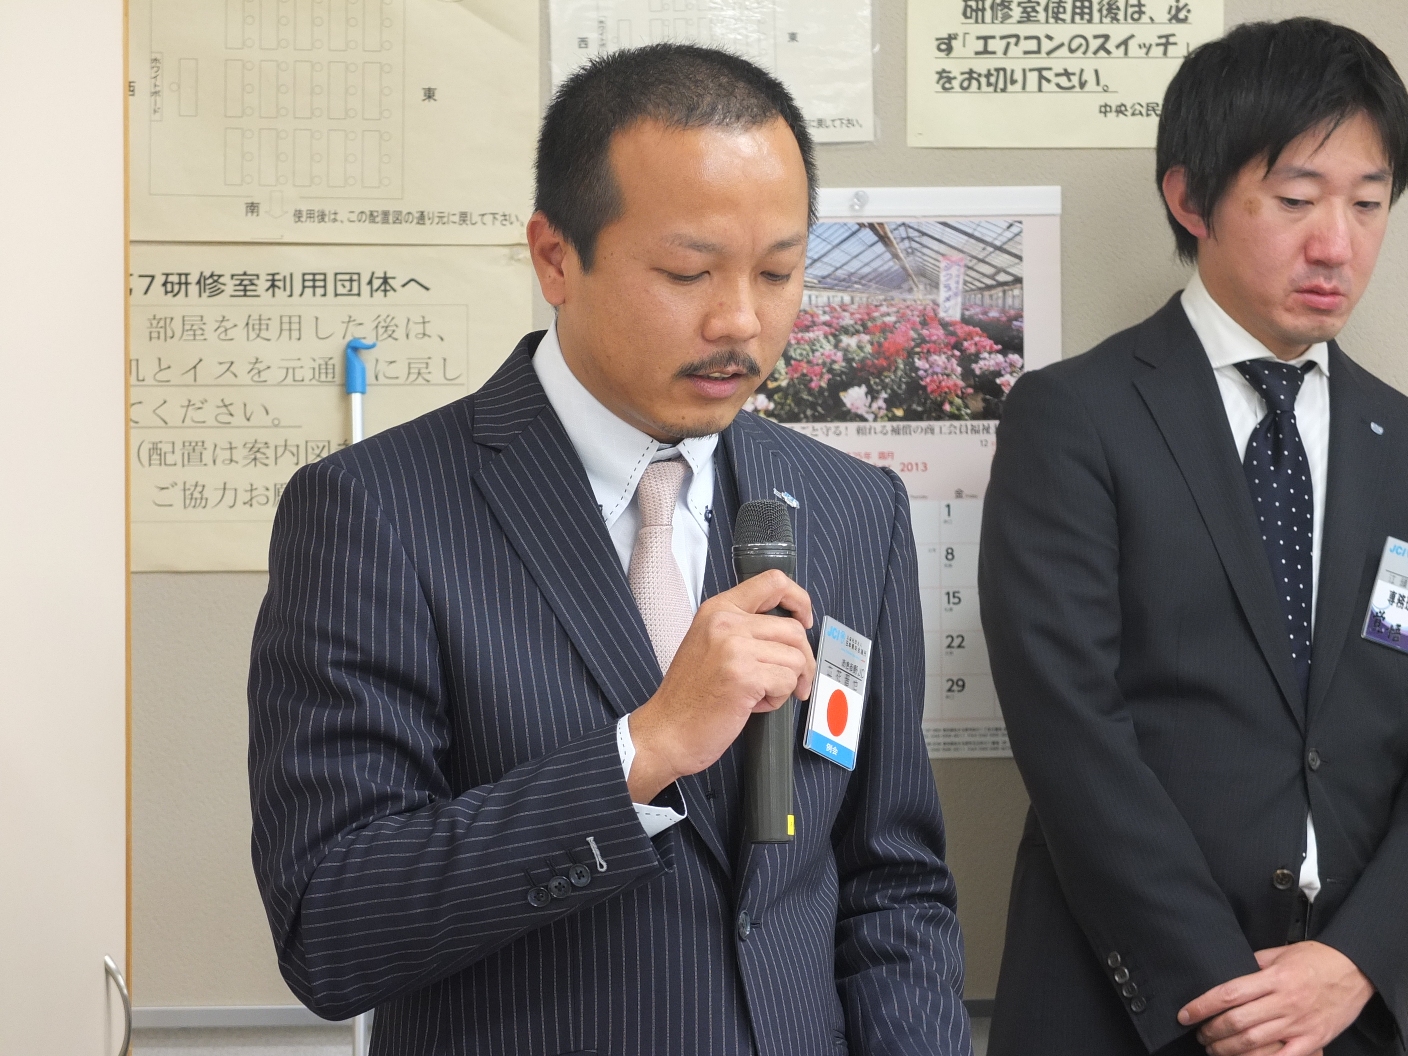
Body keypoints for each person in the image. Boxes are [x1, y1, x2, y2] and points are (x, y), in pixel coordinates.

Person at [248, 44, 970, 1056]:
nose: (741, 320)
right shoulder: (377, 511)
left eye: (778, 271)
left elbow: (892, 883)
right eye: (687, 272)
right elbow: (332, 926)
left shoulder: (854, 510)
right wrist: (642, 751)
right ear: (555, 257)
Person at [979, 18, 1408, 1056]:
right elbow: (1070, 730)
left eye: (1368, 203)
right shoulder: (1072, 418)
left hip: (1358, 1006)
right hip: (1133, 1005)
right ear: (1190, 198)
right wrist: (1227, 995)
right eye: (1297, 200)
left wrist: (1357, 962)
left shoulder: (1401, 440)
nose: (1337, 244)